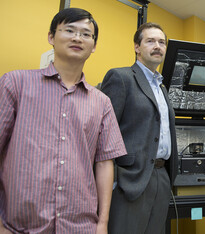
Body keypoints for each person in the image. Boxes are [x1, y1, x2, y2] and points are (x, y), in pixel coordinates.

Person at [0, 8, 127, 233]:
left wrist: (102, 223)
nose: (78, 38)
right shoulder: (15, 84)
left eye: (86, 34)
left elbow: (105, 162)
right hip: (19, 225)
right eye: (69, 30)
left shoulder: (102, 102)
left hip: (80, 226)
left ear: (94, 46)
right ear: (51, 37)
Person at [101, 22, 177, 234]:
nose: (157, 46)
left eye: (162, 42)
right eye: (150, 41)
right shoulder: (121, 78)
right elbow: (104, 133)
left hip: (162, 177)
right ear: (136, 47)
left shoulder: (162, 87)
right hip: (130, 179)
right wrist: (115, 178)